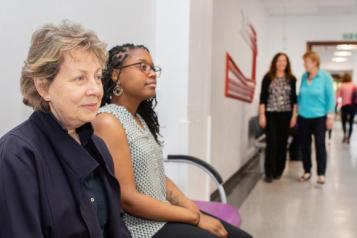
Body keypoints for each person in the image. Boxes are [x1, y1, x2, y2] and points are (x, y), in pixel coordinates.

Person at [93, 44, 253, 238]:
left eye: (153, 68)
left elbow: (160, 178)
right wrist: (194, 218)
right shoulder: (108, 120)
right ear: (116, 75)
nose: (152, 74)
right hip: (139, 228)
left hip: (161, 215)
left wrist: (192, 209)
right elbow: (128, 200)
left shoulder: (138, 119)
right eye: (142, 67)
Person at [0, 22, 131, 238]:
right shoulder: (16, 156)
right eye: (80, 78)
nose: (96, 90)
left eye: (97, 77)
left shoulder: (97, 146)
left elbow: (115, 227)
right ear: (43, 87)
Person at [258, 52, 297, 183]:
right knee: (272, 142)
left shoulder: (291, 79)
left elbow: (294, 99)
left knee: (282, 143)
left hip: (286, 114)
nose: (282, 63)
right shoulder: (268, 77)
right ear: (275, 62)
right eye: (279, 61)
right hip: (271, 114)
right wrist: (262, 115)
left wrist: (294, 116)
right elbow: (262, 97)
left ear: (287, 63)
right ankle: (269, 172)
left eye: (284, 61)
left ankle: (278, 171)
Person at [298, 51, 335, 185]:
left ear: (314, 62)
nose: (304, 64)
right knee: (305, 146)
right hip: (303, 117)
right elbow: (300, 96)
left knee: (320, 145)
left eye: (306, 62)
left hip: (319, 117)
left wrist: (330, 116)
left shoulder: (325, 77)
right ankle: (307, 171)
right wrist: (297, 112)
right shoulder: (303, 77)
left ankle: (321, 174)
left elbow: (331, 97)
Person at [336, 73, 356, 144]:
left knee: (344, 122)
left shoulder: (341, 86)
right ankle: (349, 138)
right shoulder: (354, 85)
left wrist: (337, 105)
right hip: (353, 107)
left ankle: (345, 135)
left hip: (345, 106)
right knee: (351, 123)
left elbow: (337, 97)